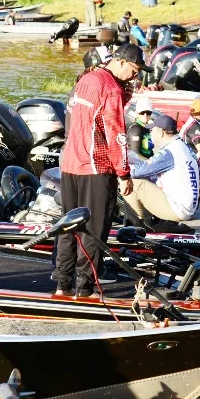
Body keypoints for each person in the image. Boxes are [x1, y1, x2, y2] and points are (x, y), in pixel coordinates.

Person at [54, 44, 153, 297]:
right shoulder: (110, 89)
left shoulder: (86, 79)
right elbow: (117, 135)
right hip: (96, 168)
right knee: (94, 231)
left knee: (68, 228)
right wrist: (124, 174)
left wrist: (126, 91)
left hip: (70, 165)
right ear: (120, 62)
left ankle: (62, 286)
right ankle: (86, 290)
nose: (136, 76)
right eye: (134, 69)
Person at [122, 115, 200, 226]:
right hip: (187, 208)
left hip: (178, 210)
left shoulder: (169, 151)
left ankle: (136, 228)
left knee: (130, 182)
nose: (150, 133)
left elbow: (136, 172)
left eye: (151, 130)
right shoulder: (182, 146)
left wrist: (120, 171)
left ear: (160, 132)